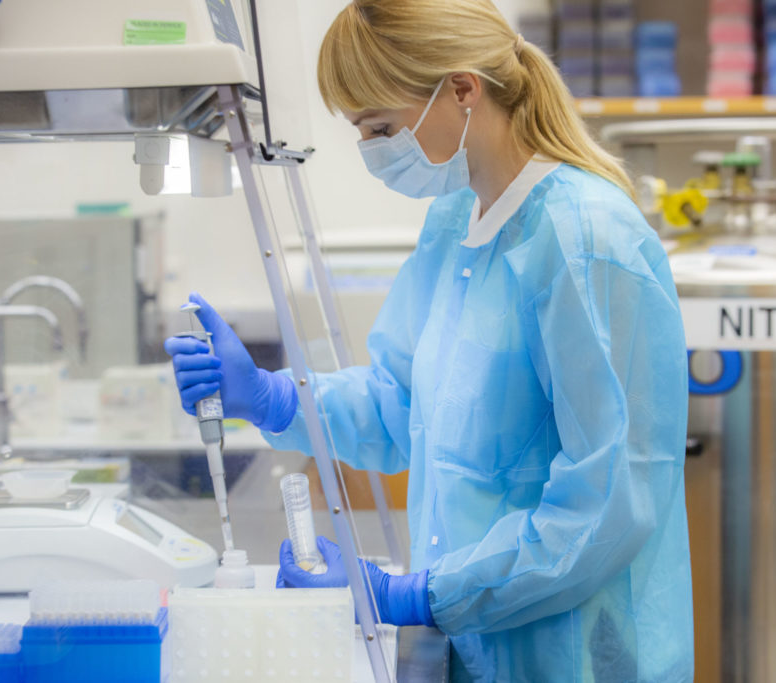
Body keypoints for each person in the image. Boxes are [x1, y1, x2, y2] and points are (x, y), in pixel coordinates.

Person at [164, 0, 693, 680]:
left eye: (379, 127)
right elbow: (400, 407)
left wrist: (415, 595)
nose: (370, 151)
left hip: (573, 653)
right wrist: (273, 399)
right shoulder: (455, 223)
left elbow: (608, 500)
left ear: (464, 90)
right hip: (476, 642)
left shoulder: (584, 240)